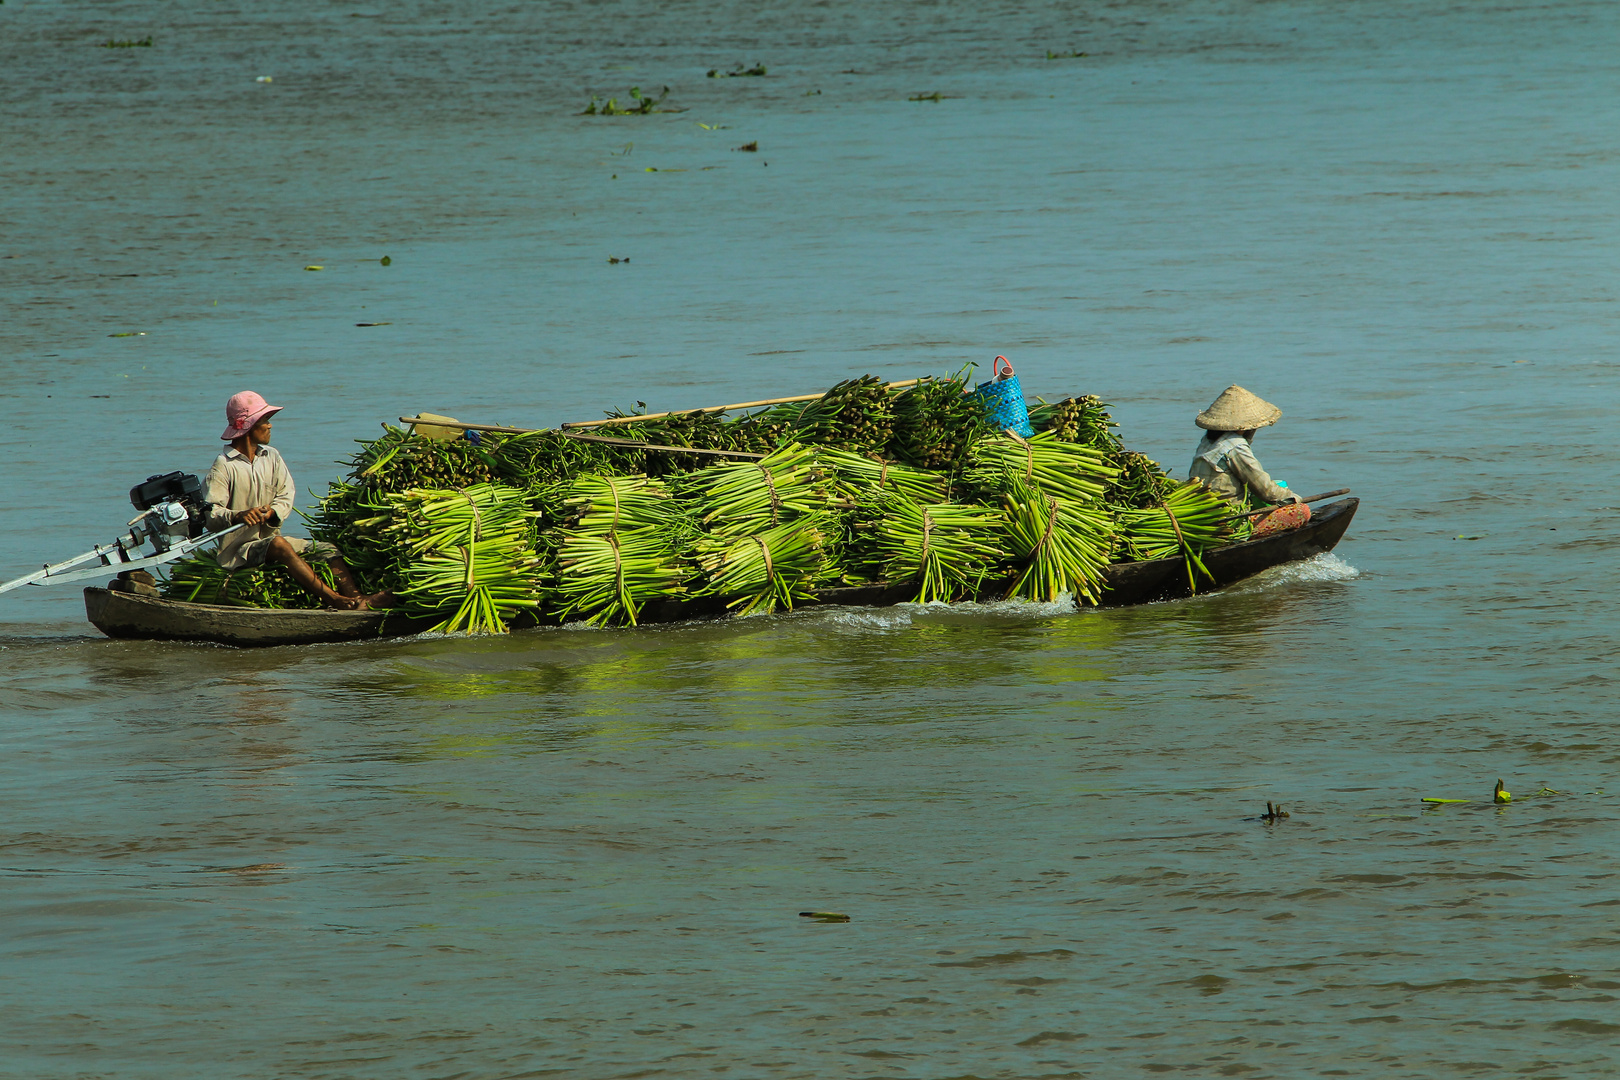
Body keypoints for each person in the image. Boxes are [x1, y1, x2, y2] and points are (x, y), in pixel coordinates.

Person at [204, 391, 386, 610]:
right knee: (279, 544)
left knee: (327, 549)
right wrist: (238, 515)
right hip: (240, 551)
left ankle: (358, 598)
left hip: (270, 538)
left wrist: (271, 512)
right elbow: (211, 513)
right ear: (249, 427)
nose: (270, 426)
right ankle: (333, 599)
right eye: (265, 421)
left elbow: (285, 494)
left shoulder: (271, 456)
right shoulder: (224, 465)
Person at [1188, 385, 1304, 506]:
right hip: (1228, 513)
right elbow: (1266, 491)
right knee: (1302, 512)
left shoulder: (1208, 439)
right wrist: (1294, 497)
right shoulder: (1235, 446)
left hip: (1202, 505)